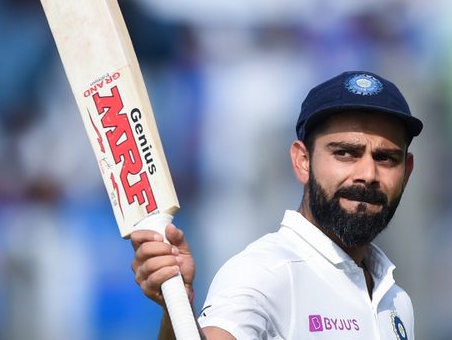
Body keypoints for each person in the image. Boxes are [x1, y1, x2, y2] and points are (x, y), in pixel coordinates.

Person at [131, 71, 423, 340]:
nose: (368, 174)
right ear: (302, 161)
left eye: (386, 158)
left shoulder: (397, 301)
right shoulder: (264, 273)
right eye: (346, 153)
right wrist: (177, 308)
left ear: (407, 171)